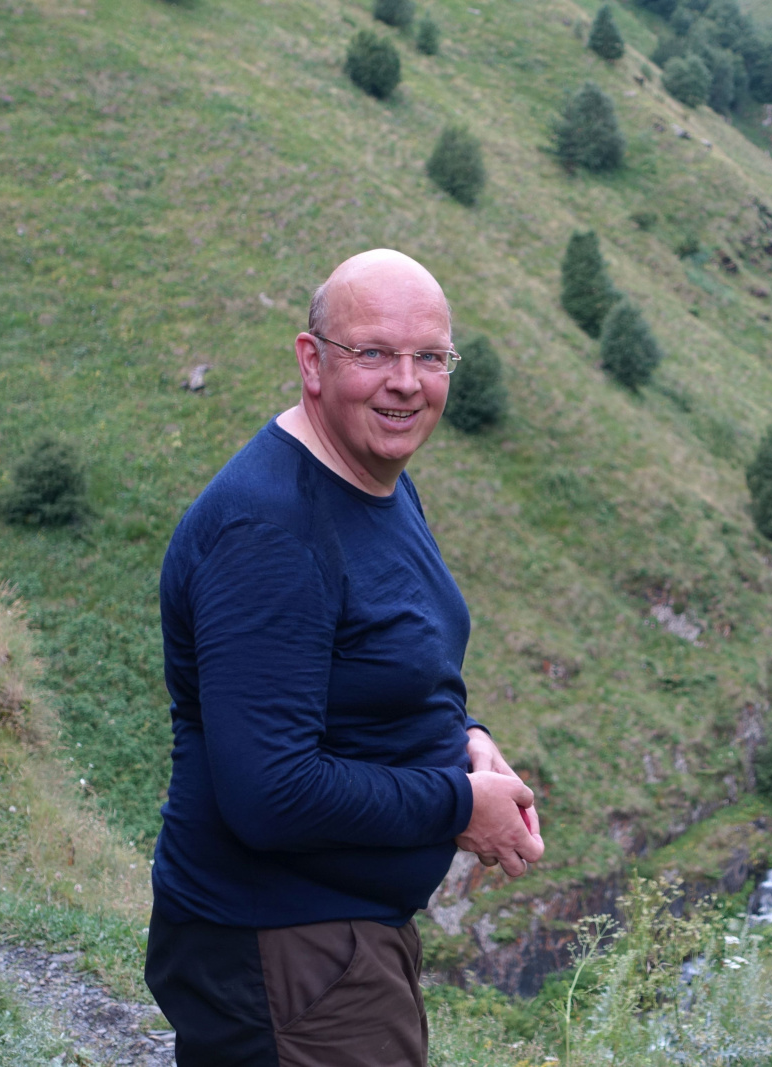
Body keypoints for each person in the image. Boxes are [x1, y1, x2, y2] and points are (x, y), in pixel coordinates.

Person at [145, 249, 544, 1067]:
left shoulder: (376, 479)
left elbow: (388, 658)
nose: (406, 382)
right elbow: (270, 793)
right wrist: (457, 804)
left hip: (332, 942)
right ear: (312, 360)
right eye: (374, 352)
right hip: (283, 948)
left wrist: (465, 736)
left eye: (430, 357)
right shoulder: (269, 532)